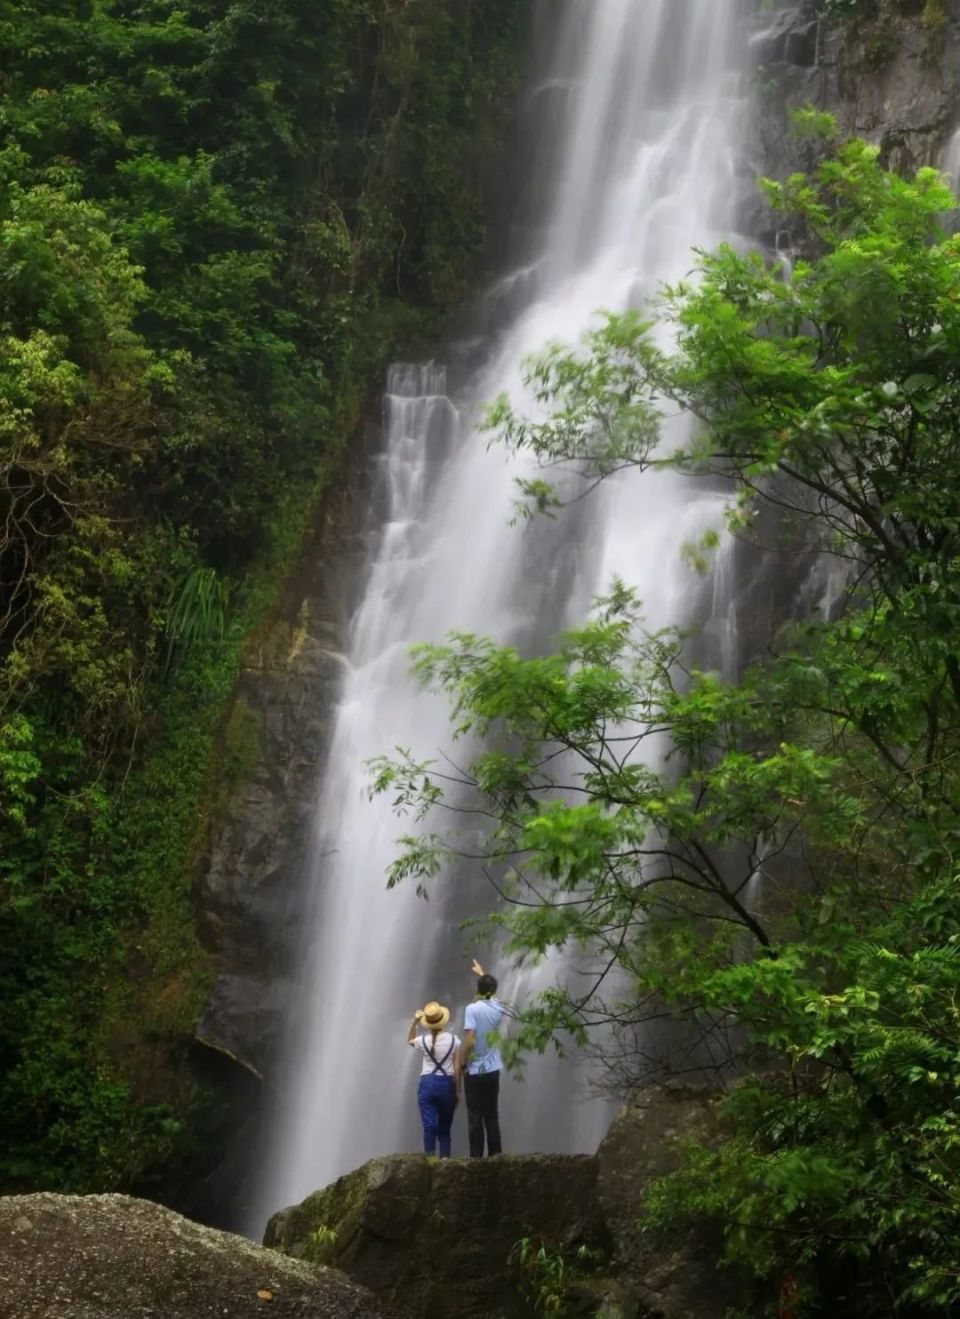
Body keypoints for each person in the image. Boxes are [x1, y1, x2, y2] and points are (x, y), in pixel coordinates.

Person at [462, 959, 505, 1157]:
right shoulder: (499, 1007)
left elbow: (470, 1040)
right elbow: (492, 992)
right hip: (494, 1069)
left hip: (475, 1070)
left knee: (475, 1117)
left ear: (478, 991)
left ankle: (476, 1159)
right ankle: (496, 1155)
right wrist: (482, 974)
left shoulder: (472, 1009)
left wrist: (463, 1062)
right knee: (492, 1116)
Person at [407, 1000, 461, 1157]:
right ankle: (445, 1158)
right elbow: (457, 1069)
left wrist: (414, 1023)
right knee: (445, 1128)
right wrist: (457, 1091)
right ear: (443, 1020)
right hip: (447, 1085)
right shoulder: (454, 1040)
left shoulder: (423, 1041)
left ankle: (429, 1157)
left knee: (429, 1125)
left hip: (427, 1085)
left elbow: (409, 1040)